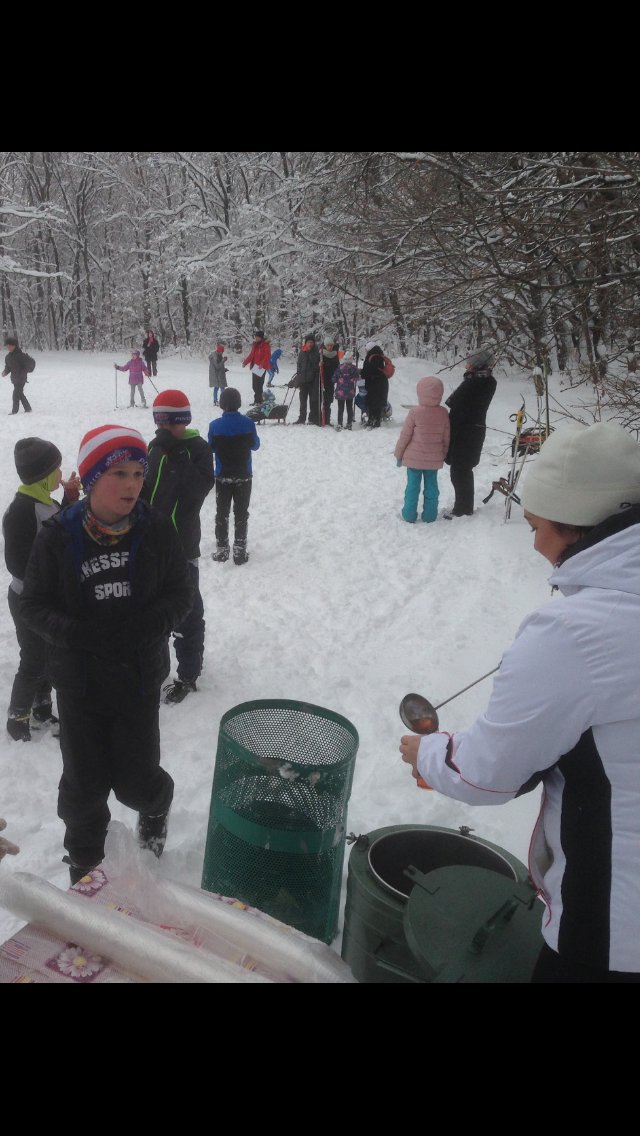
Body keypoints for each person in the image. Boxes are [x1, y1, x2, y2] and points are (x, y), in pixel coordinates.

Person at [399, 421, 640, 983]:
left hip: (613, 930)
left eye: (537, 526)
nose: (533, 543)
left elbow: (487, 773)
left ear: (577, 525)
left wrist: (429, 753)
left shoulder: (575, 632)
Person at [20, 424, 193, 886]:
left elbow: (182, 592)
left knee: (138, 783)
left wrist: (148, 625)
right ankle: (83, 868)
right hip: (79, 683)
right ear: (93, 478)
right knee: (84, 788)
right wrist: (78, 633)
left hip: (138, 678)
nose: (134, 484)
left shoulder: (155, 527)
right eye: (120, 473)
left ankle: (156, 812)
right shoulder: (58, 535)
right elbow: (32, 604)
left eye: (139, 472)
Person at [3, 437, 82, 741]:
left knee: (48, 652)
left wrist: (71, 498)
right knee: (34, 657)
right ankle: (17, 716)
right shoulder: (21, 511)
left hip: (45, 598)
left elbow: (60, 526)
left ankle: (42, 706)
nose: (60, 474)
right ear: (42, 474)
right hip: (27, 599)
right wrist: (46, 584)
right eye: (56, 469)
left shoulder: (45, 502)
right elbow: (15, 562)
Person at [142, 390, 215, 704]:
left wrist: (179, 458)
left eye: (173, 422)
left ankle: (188, 674)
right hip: (151, 544)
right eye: (163, 422)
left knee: (187, 610)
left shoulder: (197, 448)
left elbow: (200, 488)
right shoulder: (155, 447)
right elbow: (146, 489)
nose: (169, 428)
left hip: (183, 546)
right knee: (153, 609)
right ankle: (156, 670)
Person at [208, 388, 260, 565]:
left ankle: (222, 549)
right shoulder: (248, 423)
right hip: (244, 475)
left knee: (221, 513)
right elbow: (255, 445)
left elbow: (211, 448)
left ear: (222, 404)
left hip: (222, 476)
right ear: (239, 403)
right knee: (241, 513)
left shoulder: (214, 425)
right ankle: (240, 549)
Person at [444, 348, 497, 517]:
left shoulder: (477, 382)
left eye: (469, 361)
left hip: (467, 432)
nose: (466, 364)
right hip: (468, 430)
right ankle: (463, 507)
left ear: (476, 364)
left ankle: (463, 509)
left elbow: (455, 402)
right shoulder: (481, 380)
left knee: (460, 471)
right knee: (461, 470)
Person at [394, 378, 450, 523]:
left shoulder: (415, 412)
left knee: (412, 487)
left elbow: (405, 435)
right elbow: (446, 437)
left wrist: (399, 454)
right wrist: (443, 454)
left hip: (414, 459)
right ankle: (430, 515)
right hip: (433, 459)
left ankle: (408, 514)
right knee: (432, 487)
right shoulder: (443, 413)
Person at [294, 333, 321, 425]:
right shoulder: (302, 352)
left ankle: (312, 418)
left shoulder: (316, 352)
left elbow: (317, 366)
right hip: (303, 380)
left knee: (313, 400)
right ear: (305, 343)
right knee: (302, 401)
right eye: (308, 342)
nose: (310, 344)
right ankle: (301, 418)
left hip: (312, 381)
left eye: (311, 342)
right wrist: (299, 376)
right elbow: (299, 364)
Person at [2, 335, 33, 414]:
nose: (8, 347)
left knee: (15, 394)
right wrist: (5, 372)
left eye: (10, 346)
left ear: (15, 346)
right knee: (20, 394)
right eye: (7, 346)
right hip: (14, 379)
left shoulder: (21, 356)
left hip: (21, 379)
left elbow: (31, 363)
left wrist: (24, 371)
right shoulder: (8, 357)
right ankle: (28, 408)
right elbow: (8, 367)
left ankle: (14, 411)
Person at [361, 342, 388, 428]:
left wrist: (362, 373)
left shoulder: (372, 356)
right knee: (377, 403)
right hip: (381, 383)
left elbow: (369, 370)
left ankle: (372, 420)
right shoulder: (379, 355)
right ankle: (376, 420)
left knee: (372, 402)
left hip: (374, 383)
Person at [242, 330, 272, 406]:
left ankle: (259, 401)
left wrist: (262, 364)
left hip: (261, 368)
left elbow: (267, 356)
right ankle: (257, 400)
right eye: (256, 337)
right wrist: (245, 362)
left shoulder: (265, 346)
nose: (256, 338)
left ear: (261, 338)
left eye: (258, 337)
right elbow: (251, 355)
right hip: (255, 367)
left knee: (259, 385)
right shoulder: (255, 345)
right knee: (254, 386)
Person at [333, 352, 360, 430]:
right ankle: (349, 423)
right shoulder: (354, 368)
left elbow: (334, 378)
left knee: (340, 408)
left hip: (340, 392)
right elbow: (357, 377)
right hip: (350, 392)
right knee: (349, 408)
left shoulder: (340, 368)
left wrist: (338, 380)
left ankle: (340, 423)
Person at [320, 338, 340, 427]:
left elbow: (338, 367)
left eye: (331, 345)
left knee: (328, 401)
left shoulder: (335, 355)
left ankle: (327, 419)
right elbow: (317, 367)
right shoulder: (321, 354)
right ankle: (320, 418)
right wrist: (319, 365)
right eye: (328, 345)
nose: (330, 347)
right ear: (325, 345)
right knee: (321, 400)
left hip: (331, 381)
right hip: (322, 380)